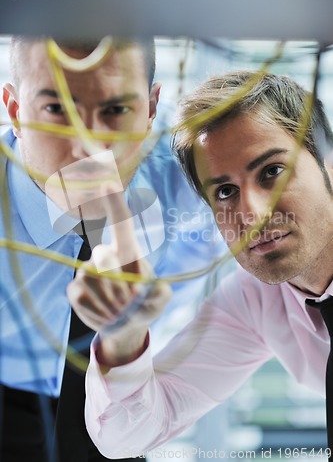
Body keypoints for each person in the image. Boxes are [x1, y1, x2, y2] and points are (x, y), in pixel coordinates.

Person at [69, 71, 333, 459]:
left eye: (272, 171)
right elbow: (125, 435)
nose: (252, 215)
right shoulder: (254, 300)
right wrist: (124, 334)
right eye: (225, 192)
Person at [0, 36, 224, 461]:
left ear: (152, 109)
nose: (88, 145)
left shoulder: (198, 186)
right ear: (14, 110)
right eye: (57, 110)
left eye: (116, 110)